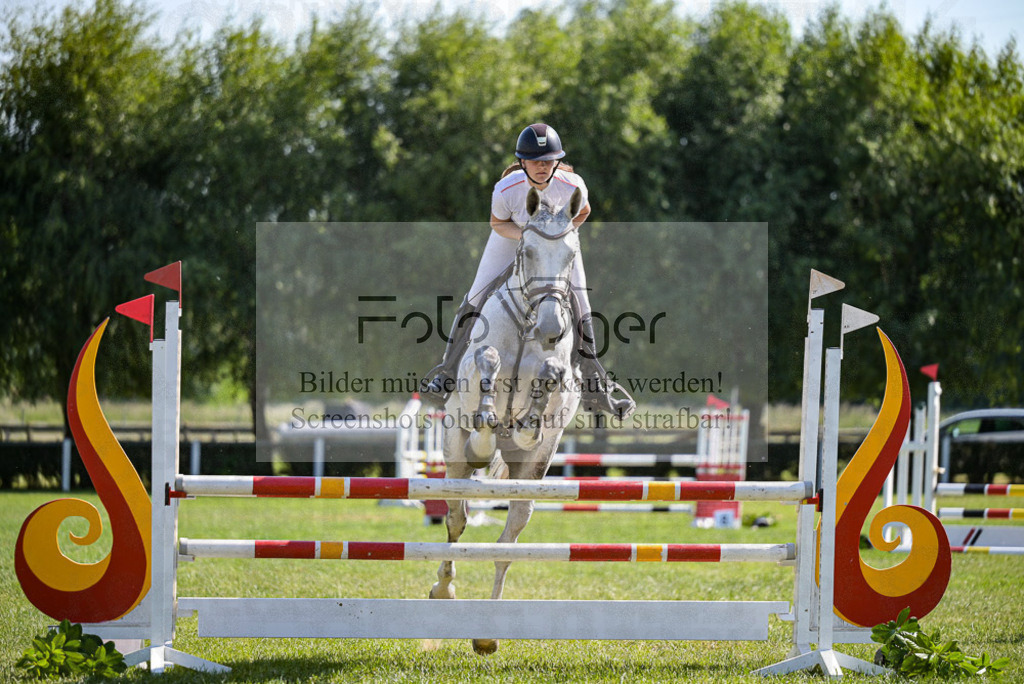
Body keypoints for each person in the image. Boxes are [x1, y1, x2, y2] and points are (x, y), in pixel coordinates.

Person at [421, 123, 635, 418]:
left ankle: (593, 380)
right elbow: (498, 223)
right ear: (522, 162)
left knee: (582, 303)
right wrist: (528, 237)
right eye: (535, 161)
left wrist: (558, 239)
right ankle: (447, 370)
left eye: (548, 161)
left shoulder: (574, 186)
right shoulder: (507, 189)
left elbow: (583, 212)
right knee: (477, 294)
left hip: (557, 244)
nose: (541, 167)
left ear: (556, 162)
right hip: (513, 237)